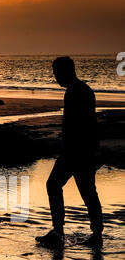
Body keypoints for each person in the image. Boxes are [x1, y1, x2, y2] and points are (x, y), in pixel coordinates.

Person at [36, 56, 103, 248]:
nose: (55, 77)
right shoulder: (79, 90)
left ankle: (71, 233)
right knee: (82, 190)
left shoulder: (77, 92)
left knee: (78, 189)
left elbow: (88, 124)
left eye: (57, 73)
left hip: (78, 151)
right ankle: (79, 232)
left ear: (66, 72)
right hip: (78, 150)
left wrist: (91, 150)